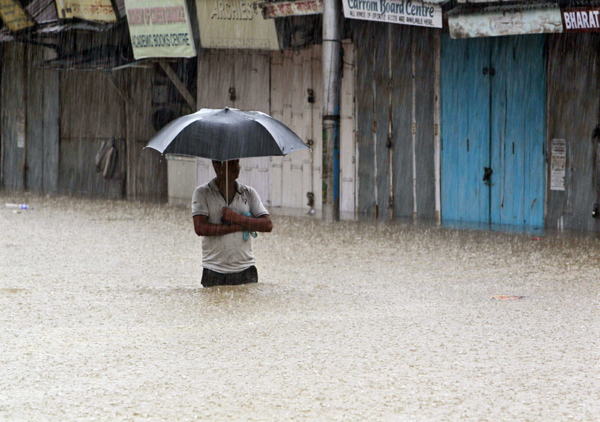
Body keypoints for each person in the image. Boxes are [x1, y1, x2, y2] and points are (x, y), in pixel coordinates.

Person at [192, 159, 273, 287]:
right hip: (214, 270)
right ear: (217, 166)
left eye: (237, 162)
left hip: (245, 269)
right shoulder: (202, 193)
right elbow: (200, 228)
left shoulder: (248, 193)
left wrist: (237, 218)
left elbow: (267, 225)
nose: (237, 167)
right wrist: (237, 226)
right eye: (231, 163)